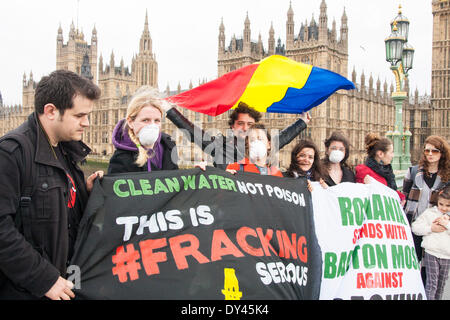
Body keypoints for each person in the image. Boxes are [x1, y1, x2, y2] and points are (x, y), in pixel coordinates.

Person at [0, 70, 102, 300]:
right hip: (29, 291)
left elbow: (63, 221)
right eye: (80, 115)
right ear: (51, 111)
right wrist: (44, 279)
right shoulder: (11, 153)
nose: (86, 123)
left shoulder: (66, 151)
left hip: (64, 286)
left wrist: (86, 194)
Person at [162, 101, 311, 170]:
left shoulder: (262, 146)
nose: (245, 128)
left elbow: (284, 136)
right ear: (233, 127)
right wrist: (170, 111)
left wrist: (302, 121)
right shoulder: (219, 146)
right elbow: (193, 132)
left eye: (250, 125)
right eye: (241, 123)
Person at [108, 86, 178, 174]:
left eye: (157, 120)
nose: (152, 125)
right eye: (145, 120)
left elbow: (177, 182)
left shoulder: (169, 146)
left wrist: (197, 173)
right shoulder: (121, 158)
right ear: (130, 122)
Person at [403, 135, 450, 262]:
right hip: (413, 225)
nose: (430, 154)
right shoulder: (413, 172)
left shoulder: (447, 178)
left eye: (435, 151)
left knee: (429, 272)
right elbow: (404, 198)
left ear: (442, 154)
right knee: (410, 263)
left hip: (436, 229)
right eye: (427, 150)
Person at [411, 186, 450, 300]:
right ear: (437, 202)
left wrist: (446, 224)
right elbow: (415, 227)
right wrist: (431, 228)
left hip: (446, 255)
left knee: (440, 285)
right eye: (441, 204)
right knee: (431, 284)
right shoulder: (430, 213)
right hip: (431, 252)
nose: (443, 208)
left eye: (448, 205)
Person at [355, 133, 406, 203]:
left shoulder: (387, 171)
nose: (393, 155)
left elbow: (391, 191)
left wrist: (401, 197)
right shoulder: (365, 173)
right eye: (391, 152)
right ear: (380, 154)